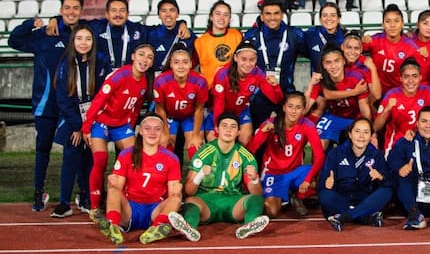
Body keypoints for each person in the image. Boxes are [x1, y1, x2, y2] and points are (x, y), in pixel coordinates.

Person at [9, 0, 84, 211]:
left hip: (70, 106)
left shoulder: (84, 34)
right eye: (67, 8)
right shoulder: (45, 34)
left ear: (81, 11)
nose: (71, 12)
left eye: (76, 8)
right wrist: (31, 23)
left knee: (75, 148)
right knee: (43, 148)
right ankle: (39, 191)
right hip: (46, 105)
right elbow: (14, 40)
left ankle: (81, 193)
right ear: (61, 10)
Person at [168, 113, 270, 241]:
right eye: (224, 126)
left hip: (233, 201)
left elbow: (257, 193)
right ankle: (189, 226)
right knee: (190, 202)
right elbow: (189, 190)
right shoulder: (204, 152)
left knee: (255, 200)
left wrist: (254, 178)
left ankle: (249, 225)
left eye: (233, 127)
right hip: (206, 201)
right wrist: (199, 175)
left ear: (238, 132)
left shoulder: (245, 156)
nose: (228, 130)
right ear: (217, 129)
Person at [82, 42, 155, 219]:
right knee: (100, 159)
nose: (144, 60)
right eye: (141, 55)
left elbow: (137, 106)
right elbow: (99, 100)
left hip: (121, 125)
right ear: (132, 56)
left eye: (149, 57)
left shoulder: (145, 82)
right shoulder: (119, 75)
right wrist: (86, 127)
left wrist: (130, 125)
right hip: (101, 122)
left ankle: (132, 198)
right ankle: (94, 206)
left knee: (136, 157)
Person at [51, 25, 112, 217]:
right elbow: (63, 98)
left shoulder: (100, 62)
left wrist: (90, 123)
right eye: (79, 38)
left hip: (94, 118)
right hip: (73, 120)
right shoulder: (65, 65)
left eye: (88, 39)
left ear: (93, 42)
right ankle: (64, 202)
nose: (83, 43)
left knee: (92, 160)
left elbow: (104, 94)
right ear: (73, 41)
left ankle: (87, 197)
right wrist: (78, 126)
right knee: (71, 158)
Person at [96, 113, 182, 245]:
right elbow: (117, 186)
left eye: (157, 129)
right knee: (113, 191)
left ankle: (157, 228)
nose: (152, 132)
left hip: (154, 209)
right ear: (141, 131)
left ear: (163, 132)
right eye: (148, 128)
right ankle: (112, 226)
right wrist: (112, 183)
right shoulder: (127, 154)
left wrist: (177, 192)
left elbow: (172, 192)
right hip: (130, 209)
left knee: (176, 198)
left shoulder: (171, 158)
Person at [247, 92, 324, 218]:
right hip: (273, 174)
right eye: (290, 106)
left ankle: (297, 195)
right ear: (284, 107)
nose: (293, 111)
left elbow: (320, 156)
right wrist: (262, 132)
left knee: (321, 175)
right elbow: (250, 150)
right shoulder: (271, 123)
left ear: (303, 109)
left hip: (296, 172)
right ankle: (279, 198)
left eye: (298, 107)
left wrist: (307, 179)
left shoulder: (307, 125)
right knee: (272, 211)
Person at [319, 118, 393, 231]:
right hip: (342, 198)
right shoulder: (336, 153)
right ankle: (365, 217)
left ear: (371, 136)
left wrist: (380, 177)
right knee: (325, 196)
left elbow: (389, 182)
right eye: (357, 131)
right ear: (350, 134)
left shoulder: (376, 155)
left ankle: (344, 217)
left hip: (366, 198)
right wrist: (328, 184)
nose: (361, 136)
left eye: (366, 132)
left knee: (387, 191)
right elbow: (322, 183)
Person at [243, 0, 307, 125]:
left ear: (282, 15)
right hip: (259, 94)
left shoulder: (294, 34)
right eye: (268, 14)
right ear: (261, 16)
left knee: (287, 134)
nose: (272, 17)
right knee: (258, 133)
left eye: (276, 13)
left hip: (286, 93)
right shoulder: (252, 36)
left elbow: (315, 55)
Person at [209, 40, 284, 146]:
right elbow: (218, 104)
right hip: (222, 112)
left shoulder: (257, 73)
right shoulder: (222, 74)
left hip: (241, 111)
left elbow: (276, 99)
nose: (248, 64)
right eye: (243, 59)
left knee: (245, 140)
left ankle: (242, 162)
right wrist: (218, 126)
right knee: (218, 141)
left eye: (252, 60)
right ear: (235, 58)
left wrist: (275, 87)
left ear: (256, 60)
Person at [309, 45, 372, 149]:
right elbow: (327, 94)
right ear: (323, 65)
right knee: (318, 143)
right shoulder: (322, 78)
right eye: (328, 63)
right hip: (335, 116)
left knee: (357, 145)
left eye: (336, 61)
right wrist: (354, 92)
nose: (333, 66)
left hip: (355, 117)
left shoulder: (356, 77)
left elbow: (364, 108)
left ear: (343, 61)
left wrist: (370, 129)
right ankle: (318, 164)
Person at [373, 58, 430, 154]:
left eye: (414, 76)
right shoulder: (392, 94)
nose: (410, 81)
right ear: (400, 78)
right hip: (396, 144)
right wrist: (387, 109)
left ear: (420, 77)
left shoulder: (427, 91)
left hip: (423, 142)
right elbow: (376, 127)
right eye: (406, 76)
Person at [153, 44, 208, 159]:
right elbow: (160, 109)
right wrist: (166, 133)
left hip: (190, 115)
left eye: (185, 62)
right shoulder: (161, 81)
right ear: (171, 64)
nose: (181, 66)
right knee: (165, 144)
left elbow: (199, 109)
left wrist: (196, 135)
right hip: (168, 116)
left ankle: (195, 176)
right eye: (176, 62)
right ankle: (167, 175)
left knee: (195, 145)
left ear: (191, 64)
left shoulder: (200, 81)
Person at [361, 4, 421, 92]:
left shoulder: (411, 48)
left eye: (396, 21)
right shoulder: (373, 41)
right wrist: (362, 40)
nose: (392, 25)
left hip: (399, 94)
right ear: (383, 24)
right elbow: (353, 51)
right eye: (388, 21)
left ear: (402, 24)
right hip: (375, 92)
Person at [193, 0, 242, 87]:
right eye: (218, 14)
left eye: (226, 15)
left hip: (235, 88)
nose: (222, 18)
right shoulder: (200, 42)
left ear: (230, 19)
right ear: (211, 17)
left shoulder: (237, 35)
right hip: (211, 91)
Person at [89, 0, 147, 70]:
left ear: (127, 14)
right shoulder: (96, 28)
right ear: (107, 14)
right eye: (114, 10)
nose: (118, 14)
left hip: (128, 77)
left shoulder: (138, 29)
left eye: (122, 10)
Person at [146, 0, 196, 75]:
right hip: (157, 81)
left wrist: (182, 23)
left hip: (181, 79)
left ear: (177, 14)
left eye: (172, 10)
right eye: (163, 11)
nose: (168, 14)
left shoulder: (187, 34)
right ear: (159, 15)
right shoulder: (151, 34)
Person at [304, 2, 346, 75]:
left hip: (342, 83)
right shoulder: (311, 34)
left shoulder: (346, 36)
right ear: (320, 19)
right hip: (319, 83)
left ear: (338, 18)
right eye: (324, 15)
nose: (328, 18)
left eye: (333, 15)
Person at [342, 30, 382, 104]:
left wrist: (373, 69)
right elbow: (327, 94)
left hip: (359, 111)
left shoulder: (366, 65)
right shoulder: (335, 61)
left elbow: (377, 95)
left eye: (356, 48)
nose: (352, 51)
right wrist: (355, 92)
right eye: (349, 47)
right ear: (342, 47)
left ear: (361, 49)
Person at [409, 10, 430, 90]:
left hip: (428, 87)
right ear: (418, 24)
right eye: (425, 23)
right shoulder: (409, 41)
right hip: (410, 84)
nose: (429, 28)